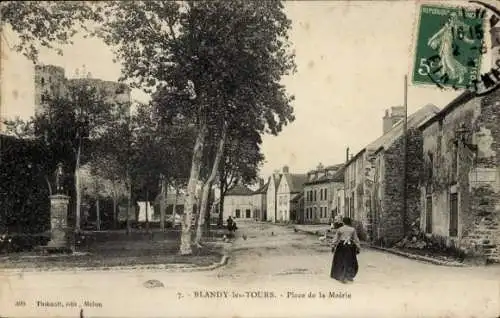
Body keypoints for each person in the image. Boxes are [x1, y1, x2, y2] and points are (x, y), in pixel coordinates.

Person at [330, 217, 361, 283]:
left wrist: (333, 246)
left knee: (340, 261)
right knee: (350, 261)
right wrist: (358, 247)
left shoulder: (340, 229)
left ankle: (341, 276)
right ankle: (349, 276)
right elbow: (356, 239)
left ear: (343, 222)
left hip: (341, 246)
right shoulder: (352, 229)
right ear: (349, 222)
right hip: (350, 247)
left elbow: (335, 239)